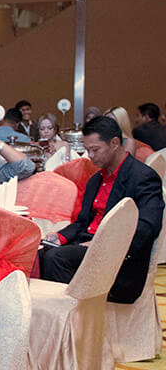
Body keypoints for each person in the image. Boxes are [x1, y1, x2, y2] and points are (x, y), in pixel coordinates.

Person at [40, 116, 163, 303]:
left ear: (114, 143)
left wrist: (101, 244)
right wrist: (59, 237)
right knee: (40, 254)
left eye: (95, 149)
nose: (90, 155)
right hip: (87, 246)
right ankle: (60, 312)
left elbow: (147, 227)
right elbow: (82, 222)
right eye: (87, 149)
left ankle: (73, 313)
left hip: (118, 262)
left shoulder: (142, 177)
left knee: (56, 258)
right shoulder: (96, 180)